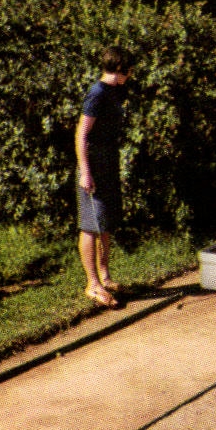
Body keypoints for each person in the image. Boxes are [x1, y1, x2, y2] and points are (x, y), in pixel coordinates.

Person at [76, 45, 130, 308]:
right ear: (119, 68)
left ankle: (105, 277)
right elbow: (81, 134)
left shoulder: (113, 91)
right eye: (128, 69)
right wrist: (85, 171)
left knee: (105, 223)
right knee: (90, 225)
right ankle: (92, 284)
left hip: (108, 162)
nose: (130, 74)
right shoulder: (97, 93)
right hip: (93, 164)